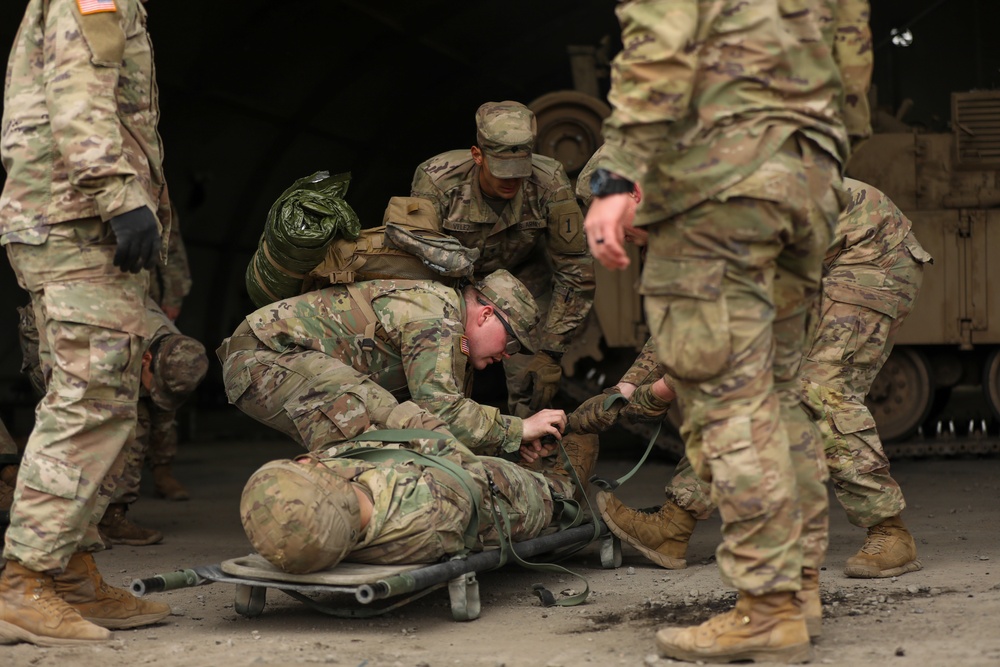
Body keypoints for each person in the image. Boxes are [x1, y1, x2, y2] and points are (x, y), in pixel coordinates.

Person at [582, 1, 871, 663]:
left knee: (727, 398)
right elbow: (853, 60)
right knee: (783, 391)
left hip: (722, 179)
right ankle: (798, 591)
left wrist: (617, 175)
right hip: (810, 178)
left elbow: (659, 45)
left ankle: (766, 607)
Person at [592, 179, 931, 584]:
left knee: (818, 389)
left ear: (635, 192)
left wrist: (660, 392)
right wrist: (627, 387)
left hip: (869, 249)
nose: (620, 237)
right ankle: (673, 526)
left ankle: (890, 532)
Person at [0, 0, 172, 645]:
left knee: (106, 396)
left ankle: (69, 573)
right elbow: (77, 90)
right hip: (78, 221)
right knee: (89, 399)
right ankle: (25, 583)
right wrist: (118, 194)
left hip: (71, 220)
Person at [218, 269, 567, 459]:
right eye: (511, 342)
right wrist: (518, 429)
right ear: (487, 314)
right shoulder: (437, 316)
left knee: (394, 432)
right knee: (372, 436)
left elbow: (440, 422)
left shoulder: (446, 321)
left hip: (278, 360)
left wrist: (507, 442)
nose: (507, 355)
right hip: (263, 357)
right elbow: (442, 411)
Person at [240, 400, 598, 575]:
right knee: (551, 491)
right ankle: (560, 482)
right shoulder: (429, 514)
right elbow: (460, 464)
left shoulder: (330, 519)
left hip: (446, 476)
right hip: (499, 499)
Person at [411, 101, 595, 418]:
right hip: (453, 284)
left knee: (533, 381)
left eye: (519, 172)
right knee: (443, 371)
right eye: (502, 171)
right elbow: (415, 258)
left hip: (523, 280)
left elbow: (576, 271)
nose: (511, 181)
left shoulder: (549, 181)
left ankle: (533, 450)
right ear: (477, 155)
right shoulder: (438, 180)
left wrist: (551, 350)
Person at [15, 299, 209, 546]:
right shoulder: (115, 346)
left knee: (137, 422)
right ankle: (65, 522)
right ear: (146, 359)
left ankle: (112, 516)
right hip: (53, 328)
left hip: (98, 326)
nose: (157, 394)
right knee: (78, 420)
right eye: (157, 385)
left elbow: (158, 417)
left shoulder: (178, 349)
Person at [145, 202, 195, 500]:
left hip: (148, 304)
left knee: (166, 384)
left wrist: (173, 295)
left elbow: (172, 248)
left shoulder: (155, 191)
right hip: (101, 305)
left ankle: (163, 470)